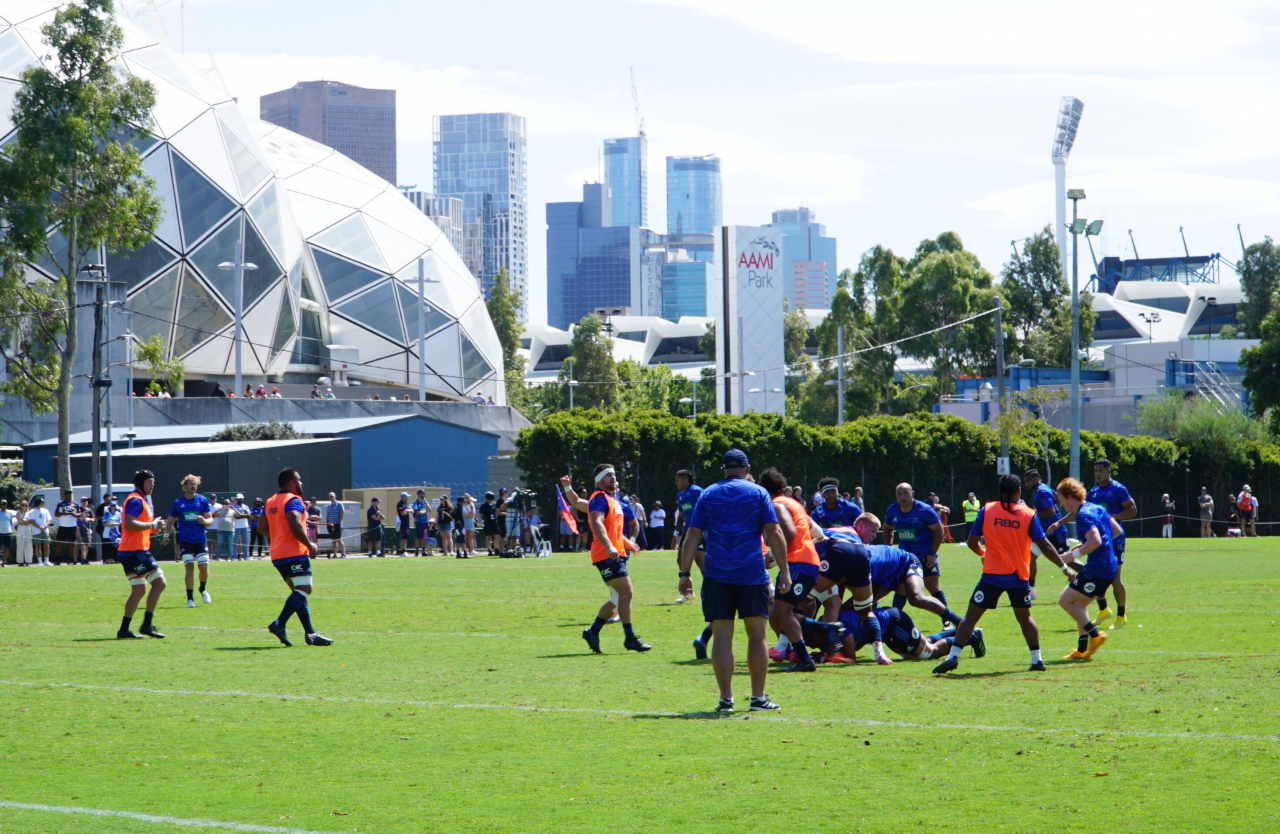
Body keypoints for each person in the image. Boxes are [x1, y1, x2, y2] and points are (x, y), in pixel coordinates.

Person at [677, 450, 786, 712]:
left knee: (722, 635)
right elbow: (774, 531)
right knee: (757, 635)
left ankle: (726, 700)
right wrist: (786, 571)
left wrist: (684, 573)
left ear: (722, 469)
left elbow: (692, 535)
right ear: (747, 468)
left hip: (716, 574)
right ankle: (758, 698)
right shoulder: (758, 493)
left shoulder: (708, 494)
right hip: (751, 573)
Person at [933, 474, 1071, 675]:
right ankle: (1037, 659)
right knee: (1025, 618)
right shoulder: (1028, 513)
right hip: (1018, 576)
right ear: (1018, 492)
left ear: (999, 492)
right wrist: (1064, 568)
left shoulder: (987, 510)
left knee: (971, 616)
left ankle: (953, 656)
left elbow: (973, 542)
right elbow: (1045, 545)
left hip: (992, 576)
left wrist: (983, 553)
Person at [572, 463, 650, 655]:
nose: (613, 478)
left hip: (616, 553)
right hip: (605, 554)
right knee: (627, 591)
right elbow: (597, 524)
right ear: (599, 480)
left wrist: (627, 543)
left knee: (616, 598)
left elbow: (613, 530)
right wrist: (609, 546)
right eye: (608, 475)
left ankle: (593, 632)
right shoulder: (598, 498)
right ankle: (630, 637)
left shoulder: (613, 501)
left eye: (614, 475)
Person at [1049, 459, 1136, 630]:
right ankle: (1103, 610)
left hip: (1114, 539)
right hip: (1098, 540)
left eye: (1101, 470)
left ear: (1109, 471)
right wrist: (1060, 523)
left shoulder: (1118, 489)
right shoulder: (1094, 492)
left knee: (1114, 577)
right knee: (1097, 573)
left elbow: (1132, 510)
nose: (1097, 474)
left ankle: (1121, 615)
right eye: (1095, 471)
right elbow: (1078, 509)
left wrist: (1107, 518)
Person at [759, 467, 831, 672]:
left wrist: (772, 555)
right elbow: (808, 528)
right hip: (805, 561)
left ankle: (807, 656)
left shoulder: (777, 505)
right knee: (785, 610)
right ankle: (804, 653)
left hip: (798, 562)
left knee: (782, 611)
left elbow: (788, 534)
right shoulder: (794, 503)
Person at [261, 468, 332, 647]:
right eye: (299, 480)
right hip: (294, 553)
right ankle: (279, 624)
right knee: (305, 588)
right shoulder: (293, 500)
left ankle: (311, 634)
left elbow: (261, 528)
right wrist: (310, 545)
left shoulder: (270, 501)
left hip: (278, 555)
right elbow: (294, 521)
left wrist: (278, 537)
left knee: (298, 594)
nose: (302, 483)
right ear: (291, 483)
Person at [1053, 478, 1121, 661]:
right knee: (1080, 606)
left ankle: (1095, 635)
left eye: (1061, 498)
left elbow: (1096, 540)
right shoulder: (1096, 507)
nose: (1061, 504)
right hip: (1110, 567)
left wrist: (1072, 556)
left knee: (1065, 601)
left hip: (1098, 568)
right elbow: (1116, 531)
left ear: (1069, 496)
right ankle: (1081, 650)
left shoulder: (1082, 515)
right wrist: (1094, 549)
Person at [883, 482, 952, 627]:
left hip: (925, 556)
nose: (902, 497)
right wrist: (889, 548)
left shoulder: (924, 510)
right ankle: (894, 622)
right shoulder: (892, 510)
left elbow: (939, 531)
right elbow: (887, 528)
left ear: (912, 493)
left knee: (932, 586)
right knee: (901, 587)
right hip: (905, 558)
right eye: (899, 494)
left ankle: (947, 619)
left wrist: (932, 554)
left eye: (905, 493)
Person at [116, 470, 169, 639]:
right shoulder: (135, 500)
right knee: (160, 583)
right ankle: (147, 625)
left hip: (129, 551)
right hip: (135, 551)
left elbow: (140, 526)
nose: (152, 485)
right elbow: (129, 523)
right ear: (140, 483)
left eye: (153, 482)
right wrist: (151, 524)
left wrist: (155, 526)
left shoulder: (141, 500)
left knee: (138, 590)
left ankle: (124, 629)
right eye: (149, 482)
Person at [166, 475, 213, 608]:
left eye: (195, 484)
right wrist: (166, 535)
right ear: (185, 486)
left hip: (200, 539)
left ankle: (202, 589)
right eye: (191, 484)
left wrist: (204, 521)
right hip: (186, 540)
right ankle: (190, 598)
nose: (193, 486)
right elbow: (170, 521)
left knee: (203, 568)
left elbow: (210, 520)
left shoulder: (202, 501)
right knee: (189, 567)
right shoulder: (177, 503)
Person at [1023, 469, 1066, 600]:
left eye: (1029, 480)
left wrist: (1033, 516)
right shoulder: (1042, 489)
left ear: (1037, 477)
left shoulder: (1041, 491)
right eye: (1025, 482)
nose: (1027, 484)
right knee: (1030, 557)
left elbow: (1050, 511)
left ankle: (1092, 578)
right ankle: (1031, 591)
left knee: (1067, 560)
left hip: (1055, 533)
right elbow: (1057, 498)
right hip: (1044, 533)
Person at [671, 469, 703, 555]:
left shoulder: (696, 491)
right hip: (688, 529)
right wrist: (675, 535)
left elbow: (708, 509)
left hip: (700, 529)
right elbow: (681, 517)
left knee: (700, 559)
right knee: (681, 558)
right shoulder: (680, 495)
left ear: (685, 479)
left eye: (678, 480)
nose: (676, 482)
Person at [53, 488, 81, 565]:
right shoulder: (60, 503)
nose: (68, 496)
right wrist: (63, 513)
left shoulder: (75, 504)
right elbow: (56, 514)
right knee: (59, 543)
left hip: (72, 526)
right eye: (67, 495)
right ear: (64, 495)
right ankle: (57, 559)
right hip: (62, 526)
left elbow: (79, 514)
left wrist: (74, 514)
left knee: (71, 544)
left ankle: (69, 559)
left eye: (70, 495)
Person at [27, 496, 51, 566]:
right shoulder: (32, 511)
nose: (43, 504)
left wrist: (44, 526)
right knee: (38, 546)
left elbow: (48, 520)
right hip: (36, 531)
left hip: (45, 531)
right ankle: (40, 561)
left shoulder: (45, 511)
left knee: (47, 545)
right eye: (42, 503)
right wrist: (39, 527)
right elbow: (31, 521)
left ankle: (46, 561)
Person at [100, 496, 121, 565]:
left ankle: (114, 559)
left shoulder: (118, 513)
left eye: (114, 505)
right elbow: (103, 523)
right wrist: (110, 526)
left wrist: (114, 524)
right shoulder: (106, 512)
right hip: (107, 532)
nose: (113, 507)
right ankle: (107, 559)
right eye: (112, 505)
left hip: (115, 533)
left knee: (115, 546)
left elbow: (121, 523)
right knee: (107, 546)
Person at [326, 492, 347, 558]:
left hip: (337, 524)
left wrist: (339, 522)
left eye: (332, 496)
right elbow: (328, 515)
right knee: (333, 540)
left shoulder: (339, 504)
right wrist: (327, 523)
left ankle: (343, 554)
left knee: (339, 539)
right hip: (331, 525)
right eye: (329, 497)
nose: (331, 498)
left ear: (335, 496)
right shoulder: (329, 506)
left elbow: (342, 513)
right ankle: (335, 554)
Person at [14, 499, 34, 566]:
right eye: (23, 505)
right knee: (20, 545)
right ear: (20, 505)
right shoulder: (18, 512)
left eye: (25, 505)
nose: (24, 506)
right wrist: (26, 522)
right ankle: (20, 561)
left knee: (28, 545)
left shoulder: (29, 513)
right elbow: (20, 522)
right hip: (21, 528)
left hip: (27, 528)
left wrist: (25, 522)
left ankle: (28, 561)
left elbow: (31, 521)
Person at [232, 494, 251, 560]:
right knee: (235, 542)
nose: (239, 500)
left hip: (245, 526)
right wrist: (243, 515)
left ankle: (245, 556)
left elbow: (249, 515)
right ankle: (234, 556)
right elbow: (236, 516)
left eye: (240, 499)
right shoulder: (234, 507)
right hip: (236, 526)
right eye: (238, 499)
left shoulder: (245, 506)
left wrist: (240, 515)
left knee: (245, 542)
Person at [412, 490, 432, 556]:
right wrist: (425, 511)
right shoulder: (415, 502)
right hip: (418, 522)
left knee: (424, 537)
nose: (423, 495)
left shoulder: (424, 502)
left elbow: (430, 510)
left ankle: (423, 550)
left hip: (425, 522)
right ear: (419, 494)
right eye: (422, 493)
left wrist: (426, 502)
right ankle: (417, 551)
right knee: (418, 537)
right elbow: (418, 512)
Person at [77, 496, 95, 563]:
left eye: (86, 501)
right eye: (83, 501)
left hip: (88, 529)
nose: (85, 502)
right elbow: (77, 518)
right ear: (81, 502)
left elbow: (93, 519)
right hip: (80, 529)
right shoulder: (79, 509)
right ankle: (82, 559)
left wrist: (89, 519)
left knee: (87, 546)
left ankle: (85, 559)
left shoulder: (89, 510)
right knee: (82, 546)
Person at [0, 499, 14, 566]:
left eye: (5, 504)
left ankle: (4, 562)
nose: (3, 506)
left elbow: (10, 522)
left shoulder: (10, 513)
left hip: (8, 532)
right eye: (2, 504)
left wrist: (10, 530)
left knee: (6, 548)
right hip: (0, 532)